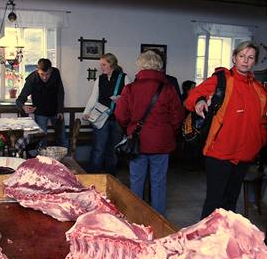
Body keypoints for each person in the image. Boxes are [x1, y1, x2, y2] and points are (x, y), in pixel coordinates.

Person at [184, 41, 267, 219]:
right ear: (234, 58)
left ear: (255, 61)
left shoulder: (260, 90)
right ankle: (205, 243)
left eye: (250, 57)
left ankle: (224, 242)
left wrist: (258, 143)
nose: (245, 61)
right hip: (219, 153)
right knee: (214, 202)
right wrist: (199, 101)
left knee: (231, 202)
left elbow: (262, 122)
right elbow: (192, 96)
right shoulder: (221, 80)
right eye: (242, 56)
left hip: (244, 156)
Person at [115, 51, 184, 215]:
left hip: (137, 141)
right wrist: (167, 131)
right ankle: (158, 219)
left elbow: (120, 115)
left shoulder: (130, 88)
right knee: (159, 182)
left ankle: (136, 217)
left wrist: (129, 129)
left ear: (140, 65)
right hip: (161, 142)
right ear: (159, 66)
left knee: (136, 180)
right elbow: (178, 116)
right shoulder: (168, 88)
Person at [83, 53, 128, 175]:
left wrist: (120, 99)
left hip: (117, 118)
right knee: (98, 148)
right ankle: (94, 176)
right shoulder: (100, 79)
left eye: (104, 64)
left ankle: (111, 177)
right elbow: (94, 97)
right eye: (101, 65)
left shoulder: (124, 78)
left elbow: (129, 99)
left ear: (111, 64)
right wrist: (86, 112)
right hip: (101, 118)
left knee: (112, 150)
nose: (101, 67)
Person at [16, 58, 68, 147]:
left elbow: (60, 93)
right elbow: (20, 99)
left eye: (47, 74)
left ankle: (65, 160)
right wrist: (23, 107)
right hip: (40, 113)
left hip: (56, 111)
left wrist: (60, 110)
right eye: (41, 74)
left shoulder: (56, 73)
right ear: (37, 70)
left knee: (62, 138)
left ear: (51, 70)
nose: (44, 77)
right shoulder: (32, 79)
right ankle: (41, 160)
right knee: (41, 141)